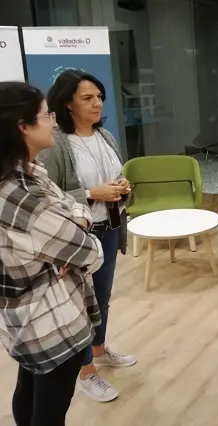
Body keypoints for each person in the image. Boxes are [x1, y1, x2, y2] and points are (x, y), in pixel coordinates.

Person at [0, 81, 104, 425]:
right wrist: (79, 221)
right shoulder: (23, 198)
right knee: (48, 409)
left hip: (24, 317)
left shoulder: (27, 172)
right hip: (49, 323)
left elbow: (73, 204)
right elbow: (90, 253)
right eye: (46, 116)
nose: (54, 122)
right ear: (23, 127)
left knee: (29, 390)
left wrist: (77, 217)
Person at [39, 70, 136, 403]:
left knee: (101, 298)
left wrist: (122, 187)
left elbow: (116, 178)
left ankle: (99, 350)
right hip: (78, 236)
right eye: (87, 98)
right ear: (67, 103)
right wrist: (92, 194)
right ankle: (85, 372)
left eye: (99, 97)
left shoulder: (105, 136)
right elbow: (46, 198)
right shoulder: (56, 144)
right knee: (80, 304)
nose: (97, 104)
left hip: (109, 229)